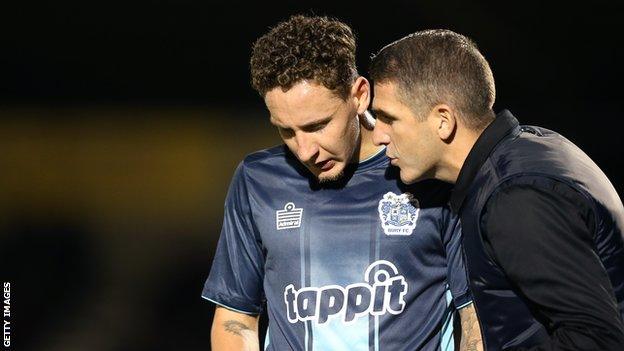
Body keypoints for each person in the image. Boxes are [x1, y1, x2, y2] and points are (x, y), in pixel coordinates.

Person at [202, 16, 482, 350]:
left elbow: (473, 318)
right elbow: (236, 319)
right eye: (286, 130)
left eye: (318, 125)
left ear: (360, 95)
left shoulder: (427, 173)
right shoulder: (258, 180)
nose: (304, 150)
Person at [370, 29, 624, 350]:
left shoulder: (515, 195)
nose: (378, 135)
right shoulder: (526, 150)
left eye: (388, 118)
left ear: (443, 120)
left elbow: (595, 340)